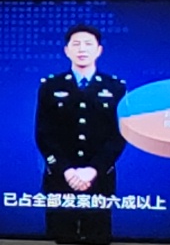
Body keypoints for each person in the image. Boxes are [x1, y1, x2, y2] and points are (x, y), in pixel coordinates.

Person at [39, 22, 130, 232]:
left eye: (88, 44)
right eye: (76, 44)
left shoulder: (115, 87)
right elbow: (43, 134)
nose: (82, 49)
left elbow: (119, 135)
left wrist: (94, 169)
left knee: (98, 238)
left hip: (100, 181)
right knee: (57, 240)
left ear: (99, 50)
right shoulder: (50, 86)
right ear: (66, 50)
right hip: (59, 180)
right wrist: (66, 170)